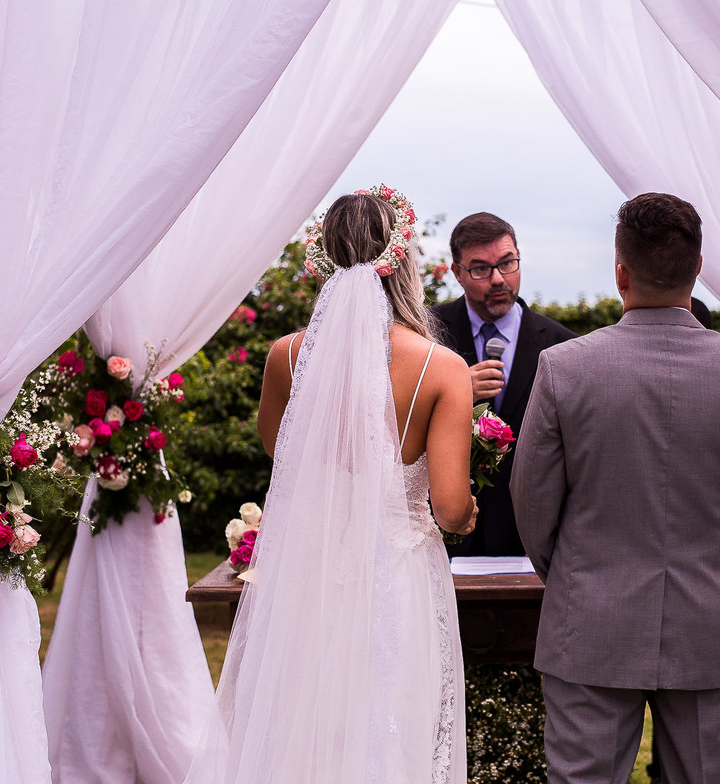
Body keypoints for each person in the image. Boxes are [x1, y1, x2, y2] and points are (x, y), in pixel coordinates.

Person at [182, 189, 477, 784]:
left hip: (311, 572)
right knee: (393, 721)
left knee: (305, 720)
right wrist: (467, 513)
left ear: (326, 258)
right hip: (399, 576)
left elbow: (279, 449)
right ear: (403, 260)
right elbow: (447, 507)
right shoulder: (440, 367)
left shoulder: (286, 357)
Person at [511, 192, 720, 784]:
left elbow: (531, 501)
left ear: (619, 273)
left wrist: (577, 573)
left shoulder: (564, 367)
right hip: (707, 620)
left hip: (589, 620)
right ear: (699, 269)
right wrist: (713, 567)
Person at [431, 212, 576, 556]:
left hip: (529, 540)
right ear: (457, 274)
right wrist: (453, 390)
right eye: (481, 269)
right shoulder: (425, 335)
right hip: (442, 535)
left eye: (507, 263)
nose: (498, 279)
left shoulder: (563, 345)